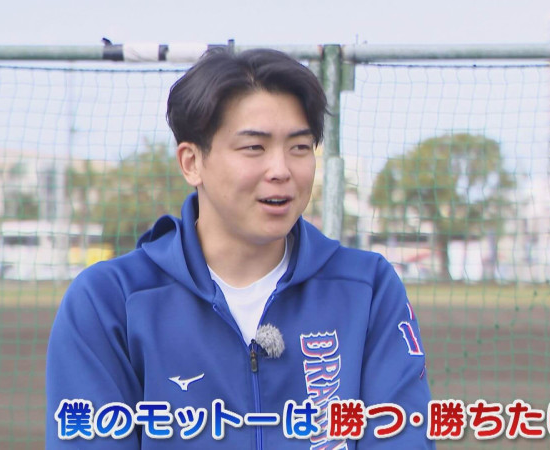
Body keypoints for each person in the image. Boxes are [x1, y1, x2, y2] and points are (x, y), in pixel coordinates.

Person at [46, 47, 433, 449]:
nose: (281, 170)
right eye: (254, 148)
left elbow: (402, 434)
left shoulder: (367, 287)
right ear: (191, 162)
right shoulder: (110, 300)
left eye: (300, 147)